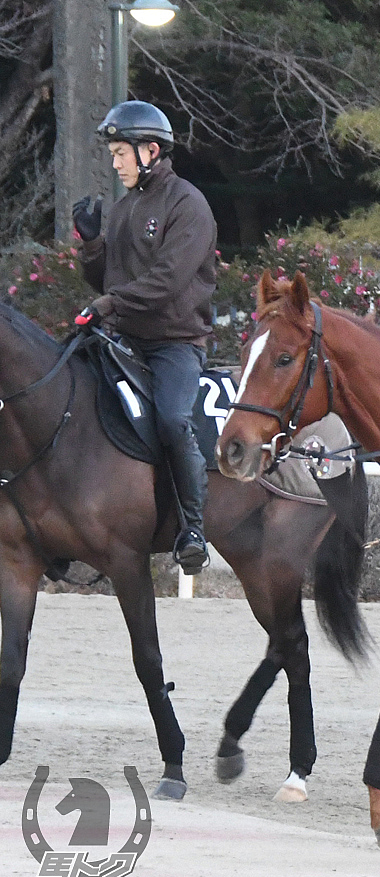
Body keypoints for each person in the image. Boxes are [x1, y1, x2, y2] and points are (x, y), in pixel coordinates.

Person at [74, 100, 218, 574]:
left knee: (174, 419)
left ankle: (193, 530)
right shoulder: (123, 208)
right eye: (113, 154)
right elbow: (107, 283)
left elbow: (167, 282)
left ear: (150, 150)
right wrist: (93, 243)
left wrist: (109, 304)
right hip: (124, 339)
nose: (115, 164)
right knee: (69, 399)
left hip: (175, 344)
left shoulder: (188, 205)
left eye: (120, 153)